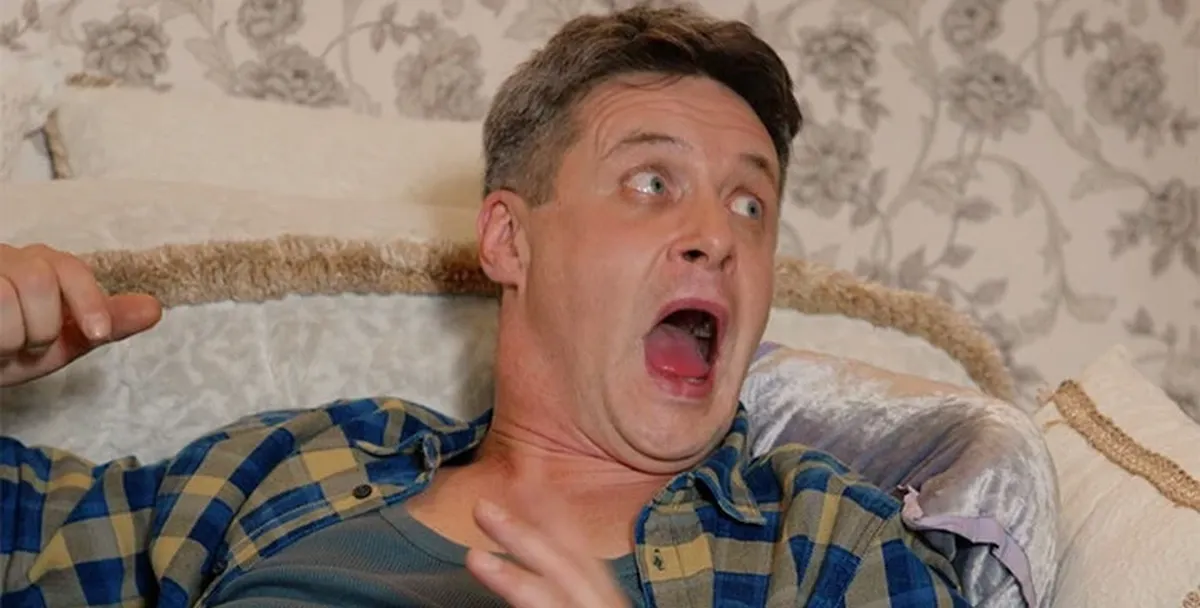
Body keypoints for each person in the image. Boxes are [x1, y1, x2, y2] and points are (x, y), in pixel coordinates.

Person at [0, 6, 968, 608]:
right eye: (652, 183)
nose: (717, 234)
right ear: (508, 238)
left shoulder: (827, 545)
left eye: (750, 204)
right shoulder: (297, 465)